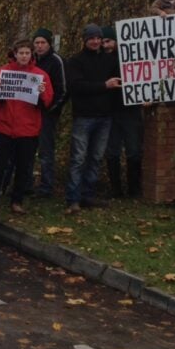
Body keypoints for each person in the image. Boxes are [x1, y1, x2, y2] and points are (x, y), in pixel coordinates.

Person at [0, 39, 52, 215]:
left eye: (27, 53)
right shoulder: (3, 72)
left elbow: (49, 100)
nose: (24, 56)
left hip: (28, 129)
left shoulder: (40, 75)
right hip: (5, 127)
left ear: (31, 54)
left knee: (24, 167)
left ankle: (17, 201)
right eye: (21, 53)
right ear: (15, 54)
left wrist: (43, 93)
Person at [64, 24, 122, 214]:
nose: (96, 41)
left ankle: (87, 195)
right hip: (84, 117)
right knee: (79, 158)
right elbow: (77, 87)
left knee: (96, 158)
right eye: (92, 38)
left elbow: (122, 80)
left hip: (105, 117)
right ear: (85, 40)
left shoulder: (110, 60)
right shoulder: (76, 61)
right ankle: (73, 198)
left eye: (98, 38)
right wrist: (104, 86)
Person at [102, 27, 143, 197]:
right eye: (103, 42)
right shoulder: (100, 61)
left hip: (130, 111)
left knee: (133, 151)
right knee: (112, 152)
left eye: (108, 41)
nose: (105, 45)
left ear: (117, 41)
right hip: (110, 112)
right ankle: (116, 190)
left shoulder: (130, 58)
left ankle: (134, 189)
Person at [31, 29, 67, 197]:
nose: (39, 46)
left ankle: (47, 186)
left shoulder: (56, 61)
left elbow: (63, 90)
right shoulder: (30, 60)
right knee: (29, 150)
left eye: (42, 43)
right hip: (30, 113)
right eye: (37, 43)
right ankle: (27, 183)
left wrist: (52, 110)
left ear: (49, 43)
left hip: (47, 114)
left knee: (46, 151)